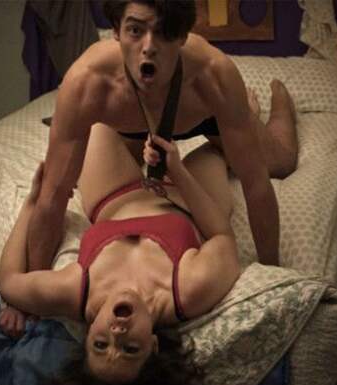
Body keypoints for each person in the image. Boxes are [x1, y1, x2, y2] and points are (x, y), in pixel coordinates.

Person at [26, 0, 298, 272]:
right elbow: (52, 196)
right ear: (116, 31)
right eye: (135, 30)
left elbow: (255, 183)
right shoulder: (87, 82)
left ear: (182, 37)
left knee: (279, 163)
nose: (149, 47)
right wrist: (34, 284)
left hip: (201, 116)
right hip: (128, 122)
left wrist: (271, 272)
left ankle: (274, 101)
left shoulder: (214, 75)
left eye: (164, 32)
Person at [0, 124, 240, 384]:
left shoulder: (77, 290)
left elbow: (8, 281)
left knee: (96, 124)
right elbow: (222, 236)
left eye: (100, 344)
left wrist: (31, 203)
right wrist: (177, 171)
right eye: (130, 349)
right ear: (153, 346)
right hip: (190, 200)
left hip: (115, 195)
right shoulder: (189, 291)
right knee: (220, 142)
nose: (117, 332)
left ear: (88, 335)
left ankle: (138, 141)